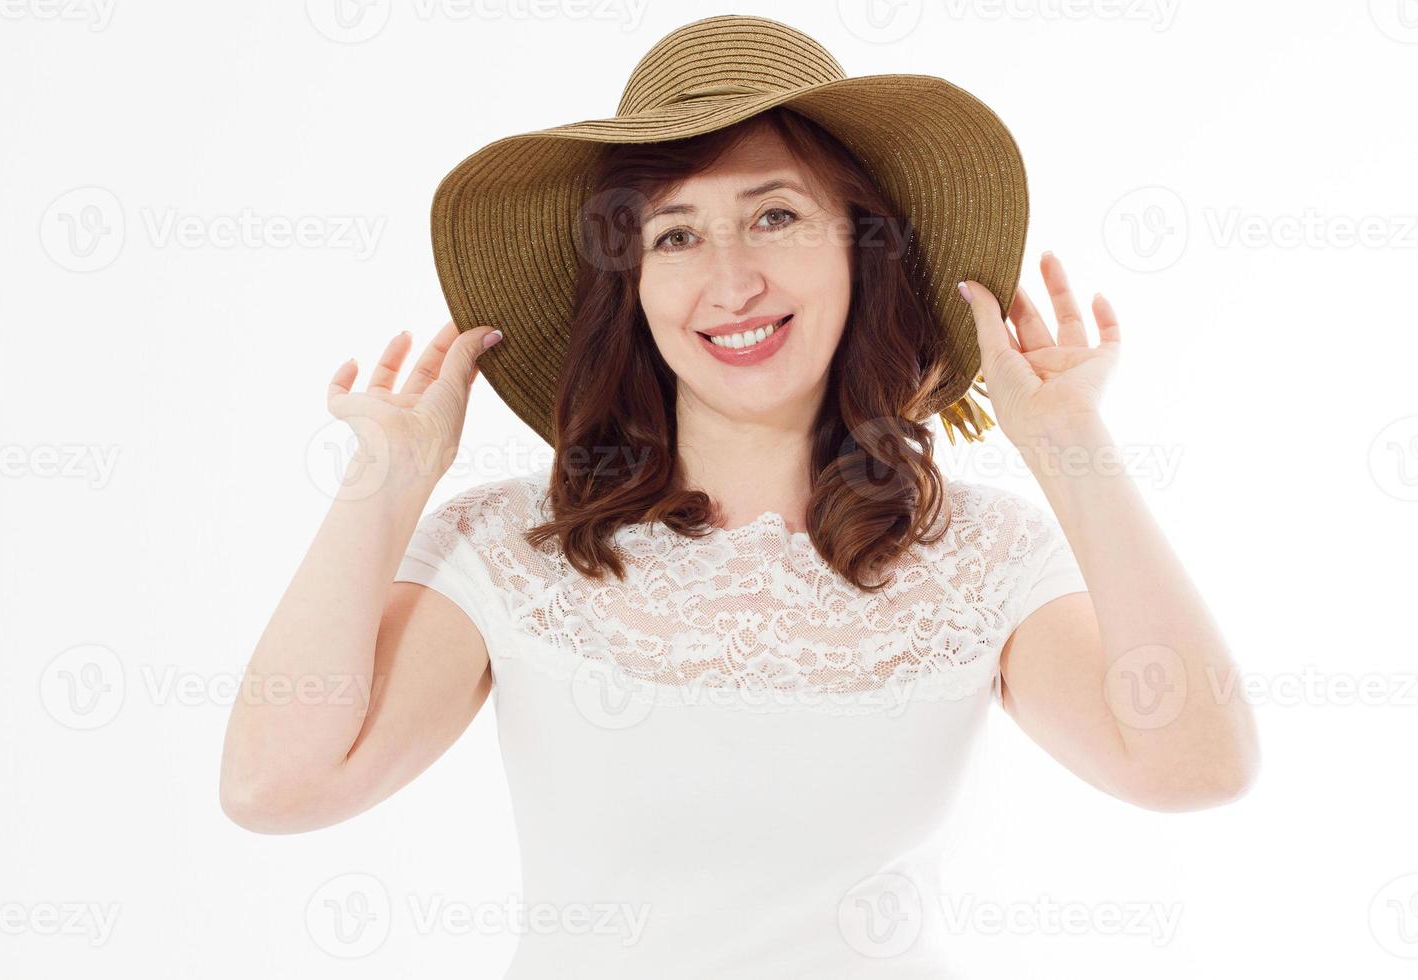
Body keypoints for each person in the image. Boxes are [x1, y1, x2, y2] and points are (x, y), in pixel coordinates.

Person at [219, 15, 1259, 978]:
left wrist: (1071, 443)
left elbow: (1197, 762)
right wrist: (385, 482)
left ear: (862, 245)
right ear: (631, 285)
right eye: (674, 235)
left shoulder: (978, 555)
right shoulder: (513, 550)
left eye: (774, 214)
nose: (730, 280)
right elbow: (275, 786)